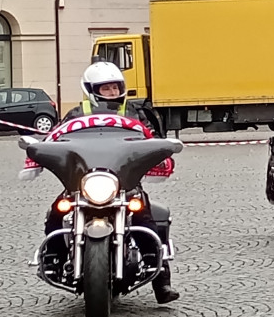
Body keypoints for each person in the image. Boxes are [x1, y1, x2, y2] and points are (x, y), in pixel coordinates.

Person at [43, 61, 179, 303]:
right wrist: (41, 150)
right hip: (83, 183)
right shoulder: (75, 115)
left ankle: (161, 279)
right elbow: (55, 138)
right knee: (56, 213)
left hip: (124, 183)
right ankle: (52, 259)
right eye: (106, 89)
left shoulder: (135, 114)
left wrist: (161, 151)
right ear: (91, 90)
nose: (112, 93)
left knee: (146, 219)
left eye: (115, 88)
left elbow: (152, 139)